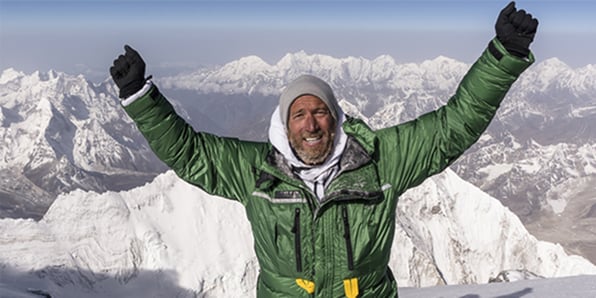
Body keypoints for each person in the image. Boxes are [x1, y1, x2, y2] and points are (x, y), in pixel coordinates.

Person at [109, 2, 537, 297]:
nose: (311, 124)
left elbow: (451, 128)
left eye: (320, 112)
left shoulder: (380, 159)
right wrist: (139, 97)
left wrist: (503, 56)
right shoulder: (257, 172)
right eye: (299, 115)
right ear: (285, 124)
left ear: (335, 118)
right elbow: (191, 153)